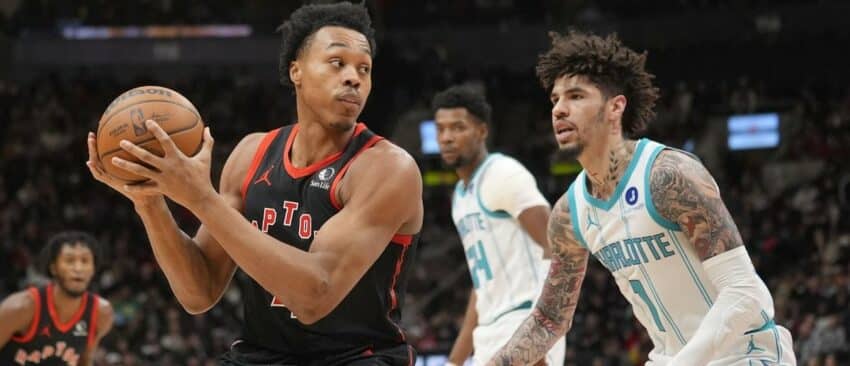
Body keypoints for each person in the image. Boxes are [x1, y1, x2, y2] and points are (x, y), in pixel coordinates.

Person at [85, 2, 423, 365]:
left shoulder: (387, 168)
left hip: (358, 357)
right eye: (337, 62)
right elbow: (199, 292)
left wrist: (201, 198)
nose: (354, 77)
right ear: (296, 70)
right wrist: (149, 202)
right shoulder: (252, 154)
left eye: (364, 68)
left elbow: (315, 296)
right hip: (262, 356)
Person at [488, 31, 796, 365]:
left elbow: (744, 291)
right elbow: (549, 320)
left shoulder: (668, 176)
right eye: (555, 100)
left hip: (746, 354)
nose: (559, 109)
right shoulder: (568, 213)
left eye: (575, 96)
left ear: (615, 107)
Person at [432, 85, 565, 366]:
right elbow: (482, 287)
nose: (447, 137)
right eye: (441, 129)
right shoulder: (460, 197)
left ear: (482, 131)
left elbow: (557, 245)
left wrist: (538, 334)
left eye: (458, 128)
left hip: (524, 319)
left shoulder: (504, 174)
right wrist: (455, 361)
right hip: (489, 331)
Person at [0, 231, 114, 366]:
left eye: (85, 261)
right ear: (53, 267)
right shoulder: (20, 308)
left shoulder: (101, 313)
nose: (78, 268)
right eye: (69, 260)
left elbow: (84, 361)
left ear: (93, 269)